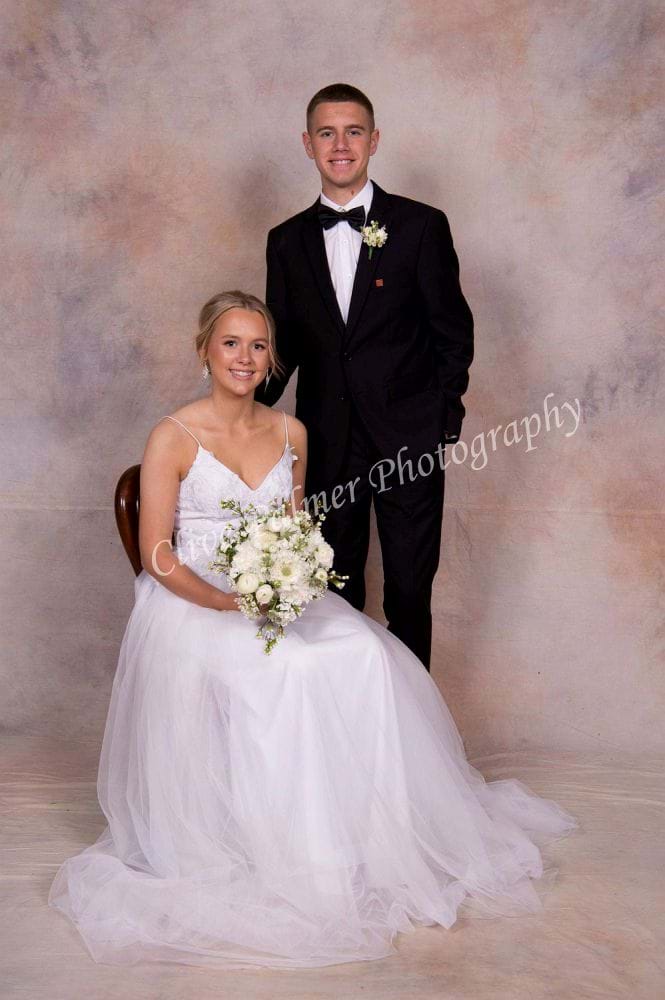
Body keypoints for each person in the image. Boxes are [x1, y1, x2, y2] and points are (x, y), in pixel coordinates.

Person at [48, 291, 576, 970]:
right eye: (231, 343)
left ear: (273, 359)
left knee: (365, 653)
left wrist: (291, 582)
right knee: (290, 670)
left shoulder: (291, 433)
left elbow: (294, 531)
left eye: (259, 345)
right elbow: (156, 552)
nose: (245, 358)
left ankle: (371, 836)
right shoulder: (172, 435)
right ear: (204, 349)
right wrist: (224, 601)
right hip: (195, 598)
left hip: (272, 588)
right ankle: (299, 851)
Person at [256, 83, 475, 670]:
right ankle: (344, 715)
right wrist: (237, 411)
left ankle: (409, 720)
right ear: (308, 144)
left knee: (409, 590)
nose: (340, 145)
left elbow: (453, 333)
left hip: (409, 441)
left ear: (373, 140)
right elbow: (282, 346)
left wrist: (440, 420)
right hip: (327, 443)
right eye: (326, 133)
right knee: (332, 592)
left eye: (353, 132)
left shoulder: (422, 226)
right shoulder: (286, 241)